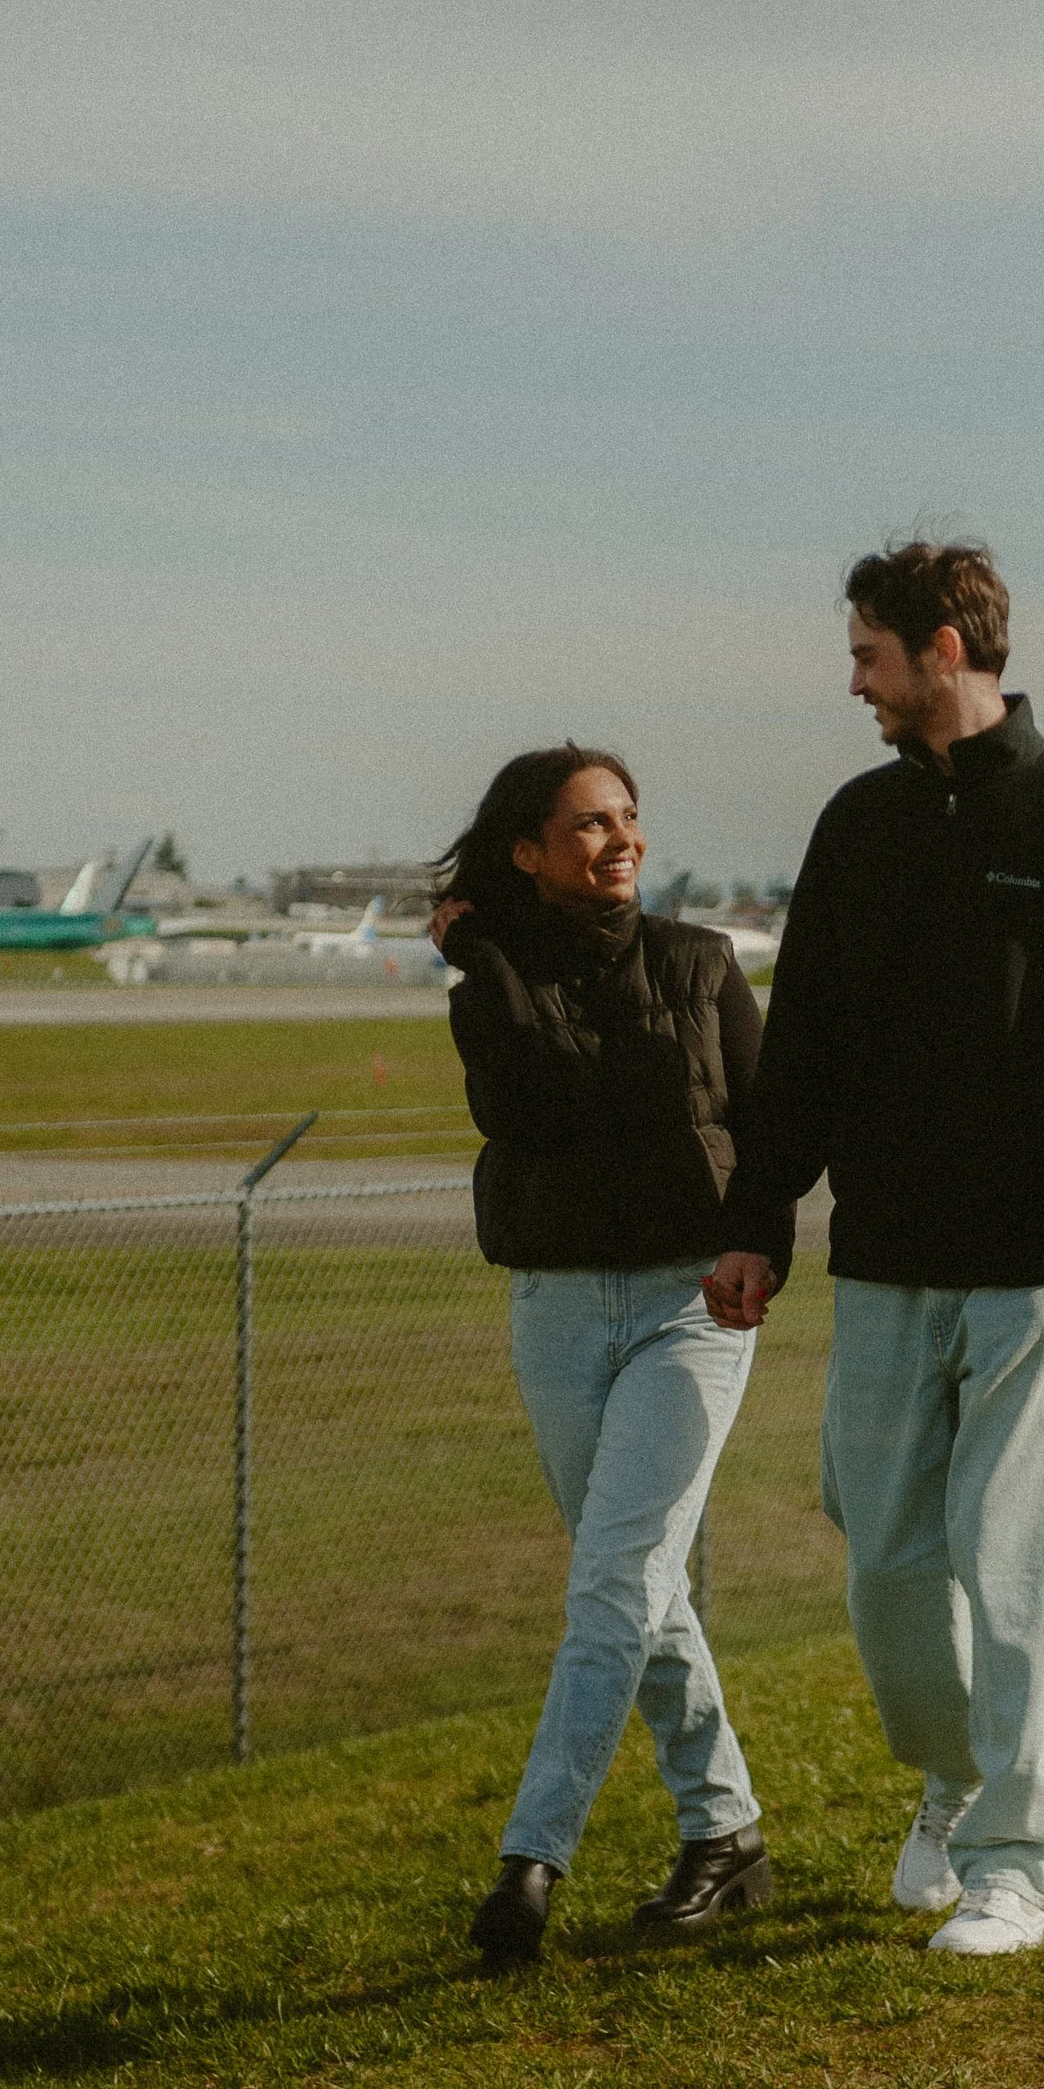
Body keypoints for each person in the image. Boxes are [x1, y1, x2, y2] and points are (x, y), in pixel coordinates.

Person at [708, 542, 1044, 1959]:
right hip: (887, 1262)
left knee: (1028, 1567)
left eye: (868, 653)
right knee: (889, 1567)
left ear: (941, 647)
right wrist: (759, 1223)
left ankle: (1019, 1864)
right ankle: (956, 1781)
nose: (852, 679)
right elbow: (803, 1049)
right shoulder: (857, 824)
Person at [436, 743, 792, 1973]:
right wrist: (487, 959)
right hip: (555, 1307)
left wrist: (762, 1248)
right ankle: (726, 1832)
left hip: (695, 1304)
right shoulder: (488, 982)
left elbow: (767, 1127)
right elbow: (529, 1109)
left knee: (614, 1581)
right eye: (588, 824)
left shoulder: (700, 962)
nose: (620, 838)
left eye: (629, 817)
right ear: (528, 850)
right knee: (638, 1587)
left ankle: (531, 1861)